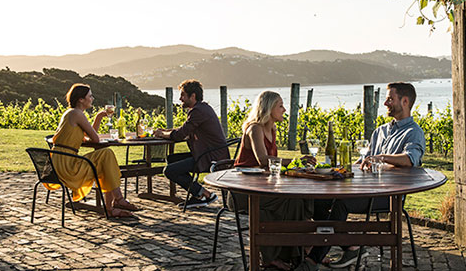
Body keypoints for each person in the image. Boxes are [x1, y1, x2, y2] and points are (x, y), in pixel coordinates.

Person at [303, 82, 425, 270]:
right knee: (320, 200)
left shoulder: (413, 132)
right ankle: (351, 247)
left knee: (341, 204)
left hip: (388, 197)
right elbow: (363, 162)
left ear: (405, 101)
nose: (385, 103)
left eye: (390, 99)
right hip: (366, 190)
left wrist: (381, 157)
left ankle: (312, 260)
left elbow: (411, 159)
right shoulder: (380, 131)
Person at [231, 91, 316, 271]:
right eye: (280, 106)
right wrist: (297, 161)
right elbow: (263, 160)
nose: (284, 110)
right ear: (269, 109)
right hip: (242, 190)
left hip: (263, 187)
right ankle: (276, 256)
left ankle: (294, 253)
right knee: (290, 200)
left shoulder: (272, 129)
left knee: (298, 200)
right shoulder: (255, 128)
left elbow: (271, 166)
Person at [51, 83, 139, 218]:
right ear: (81, 99)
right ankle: (117, 201)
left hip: (60, 160)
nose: (92, 99)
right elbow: (96, 139)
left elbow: (89, 136)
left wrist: (98, 117)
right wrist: (98, 120)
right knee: (106, 154)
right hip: (67, 165)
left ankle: (111, 207)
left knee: (105, 162)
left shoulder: (71, 113)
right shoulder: (77, 113)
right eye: (90, 96)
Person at [153, 79, 229, 208]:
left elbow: (179, 135)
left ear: (192, 96)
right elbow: (185, 130)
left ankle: (204, 194)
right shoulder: (202, 108)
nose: (180, 98)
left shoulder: (197, 111)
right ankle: (197, 194)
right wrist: (165, 131)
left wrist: (162, 134)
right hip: (208, 152)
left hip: (210, 157)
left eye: (183, 95)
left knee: (169, 171)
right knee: (172, 159)